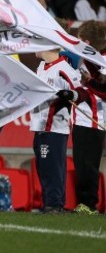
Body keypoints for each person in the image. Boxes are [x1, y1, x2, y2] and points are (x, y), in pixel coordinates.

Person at [30, 47, 83, 213]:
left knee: (52, 167)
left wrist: (70, 95)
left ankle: (54, 204)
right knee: (43, 166)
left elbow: (81, 93)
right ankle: (49, 203)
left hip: (54, 127)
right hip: (39, 126)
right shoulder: (41, 66)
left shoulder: (64, 69)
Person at [72, 20, 106, 215]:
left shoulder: (103, 61)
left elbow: (104, 90)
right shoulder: (88, 60)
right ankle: (84, 204)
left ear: (86, 41)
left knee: (88, 165)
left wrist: (88, 82)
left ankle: (89, 204)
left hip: (94, 120)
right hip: (82, 118)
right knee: (82, 164)